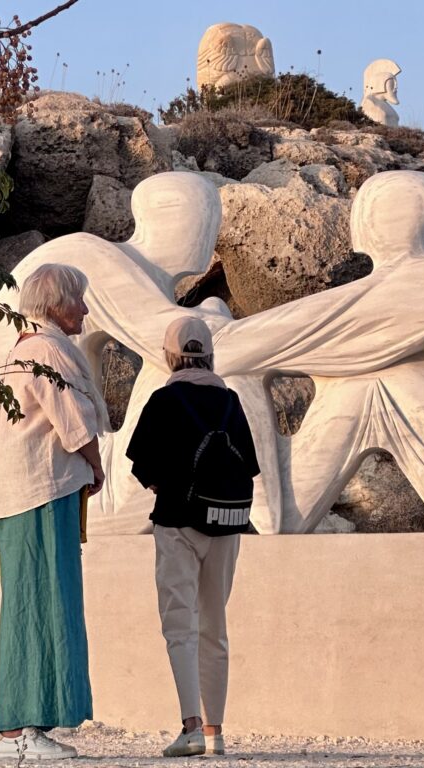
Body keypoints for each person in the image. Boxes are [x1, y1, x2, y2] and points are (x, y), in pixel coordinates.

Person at [0, 263, 109, 761]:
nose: (83, 308)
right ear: (55, 305)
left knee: (33, 602)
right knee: (39, 603)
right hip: (39, 492)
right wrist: (97, 469)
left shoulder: (23, 350)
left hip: (27, 493)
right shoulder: (47, 350)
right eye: (76, 299)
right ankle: (23, 731)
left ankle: (25, 728)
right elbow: (74, 424)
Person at [126, 316, 260, 757]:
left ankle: (189, 726)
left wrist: (170, 484)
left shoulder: (163, 401)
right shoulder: (230, 401)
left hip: (178, 524)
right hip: (226, 523)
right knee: (214, 625)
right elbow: (249, 466)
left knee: (180, 625)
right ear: (209, 353)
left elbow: (142, 466)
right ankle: (215, 732)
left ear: (170, 354)